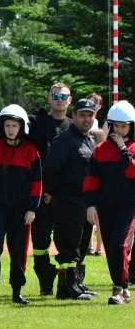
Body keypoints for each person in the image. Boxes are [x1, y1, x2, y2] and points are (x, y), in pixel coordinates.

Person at [0, 105, 42, 305]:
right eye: (7, 125)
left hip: (21, 209)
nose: (10, 129)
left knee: (18, 249)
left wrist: (32, 208)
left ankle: (17, 291)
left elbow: (37, 182)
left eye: (14, 125)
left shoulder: (31, 151)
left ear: (21, 127)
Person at [44, 97, 98, 300]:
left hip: (85, 203)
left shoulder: (90, 140)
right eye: (82, 115)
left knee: (82, 245)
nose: (86, 119)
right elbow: (50, 168)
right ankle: (65, 288)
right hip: (67, 202)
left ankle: (77, 283)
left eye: (90, 115)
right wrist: (51, 194)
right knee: (68, 246)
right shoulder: (64, 140)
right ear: (74, 116)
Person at [83, 100, 135, 305]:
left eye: (124, 126)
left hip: (129, 205)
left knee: (120, 243)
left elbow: (132, 171)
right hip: (105, 205)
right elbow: (91, 180)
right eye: (116, 126)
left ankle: (121, 289)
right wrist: (90, 204)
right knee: (111, 248)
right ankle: (120, 286)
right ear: (110, 125)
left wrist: (123, 150)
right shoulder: (101, 149)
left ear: (131, 126)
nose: (120, 130)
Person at [28, 82, 73, 295]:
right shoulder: (37, 124)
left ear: (69, 101)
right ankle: (45, 281)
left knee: (67, 241)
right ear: (49, 98)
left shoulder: (74, 127)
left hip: (66, 195)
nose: (59, 100)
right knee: (40, 241)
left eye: (63, 97)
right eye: (55, 95)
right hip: (40, 194)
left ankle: (68, 285)